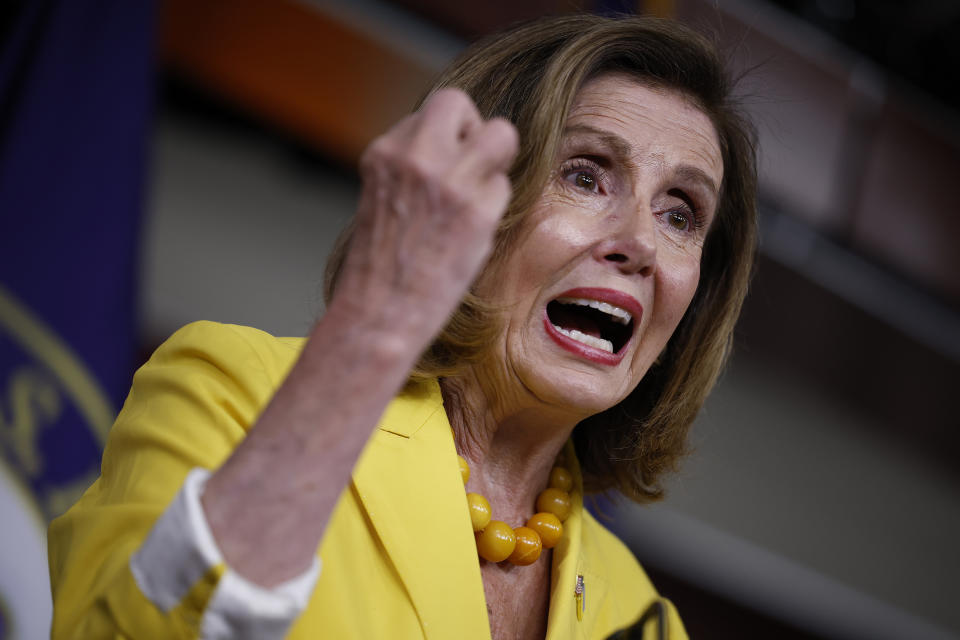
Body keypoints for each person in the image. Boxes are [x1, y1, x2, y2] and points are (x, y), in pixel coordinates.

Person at [48, 13, 757, 640]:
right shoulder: (238, 392)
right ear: (468, 199)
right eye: (586, 174)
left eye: (679, 214)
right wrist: (375, 325)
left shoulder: (641, 617)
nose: (638, 242)